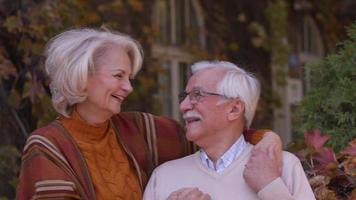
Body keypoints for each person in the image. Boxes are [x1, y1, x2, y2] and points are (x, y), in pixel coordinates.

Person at [16, 28, 282, 200]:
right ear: (81, 77)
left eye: (129, 77)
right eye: (118, 76)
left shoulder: (141, 129)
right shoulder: (48, 145)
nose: (128, 87)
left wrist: (266, 139)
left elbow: (217, 134)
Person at [143, 61, 315, 200]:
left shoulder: (283, 166)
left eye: (197, 95)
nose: (183, 106)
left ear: (234, 109)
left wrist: (270, 187)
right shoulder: (164, 176)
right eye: (184, 97)